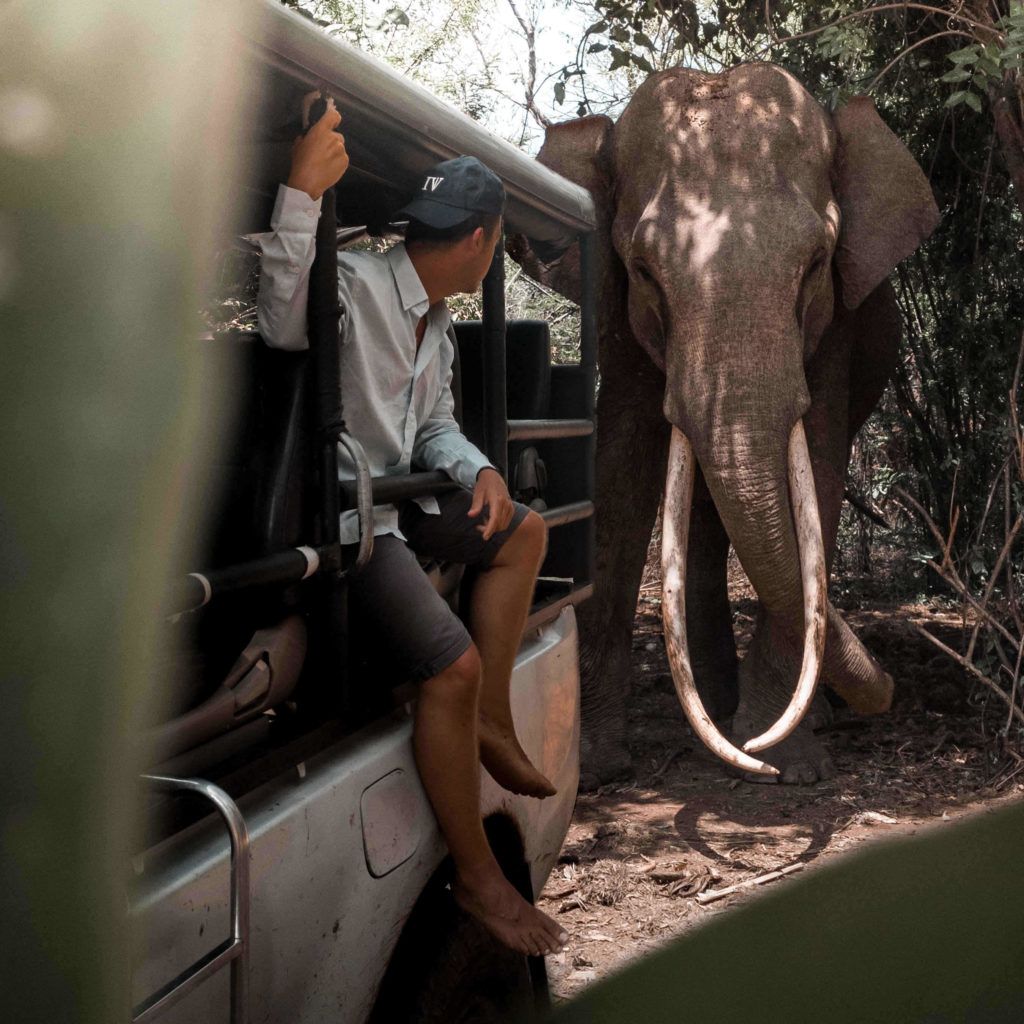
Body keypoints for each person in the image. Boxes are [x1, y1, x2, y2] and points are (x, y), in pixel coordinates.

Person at [252, 98, 568, 957]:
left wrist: (483, 470)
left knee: (526, 531)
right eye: (497, 240)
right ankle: (476, 877)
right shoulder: (355, 285)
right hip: (352, 521)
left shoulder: (437, 321)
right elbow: (283, 323)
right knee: (449, 667)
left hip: (407, 499)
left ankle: (492, 721)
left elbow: (434, 429)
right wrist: (301, 196)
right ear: (481, 241)